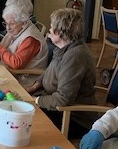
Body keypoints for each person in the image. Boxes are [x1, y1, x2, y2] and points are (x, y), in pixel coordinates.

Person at [25, 8, 96, 138]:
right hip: (56, 109)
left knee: (22, 123)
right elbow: (51, 72)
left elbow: (63, 99)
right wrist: (35, 87)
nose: (49, 30)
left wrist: (36, 100)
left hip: (72, 118)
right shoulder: (64, 49)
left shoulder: (75, 56)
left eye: (52, 27)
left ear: (60, 33)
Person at [0, 3, 48, 86]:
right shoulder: (16, 30)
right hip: (10, 72)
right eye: (6, 23)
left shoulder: (30, 38)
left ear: (23, 23)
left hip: (24, 80)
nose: (8, 28)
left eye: (12, 24)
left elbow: (16, 63)